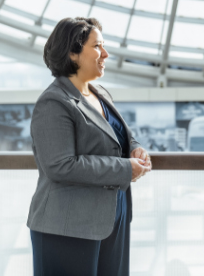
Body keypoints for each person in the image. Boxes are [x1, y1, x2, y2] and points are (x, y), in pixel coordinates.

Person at [27, 17, 152, 276]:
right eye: (98, 46)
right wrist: (125, 168)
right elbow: (60, 165)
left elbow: (121, 138)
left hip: (112, 220)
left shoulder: (100, 94)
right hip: (66, 228)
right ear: (73, 53)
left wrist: (137, 150)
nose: (105, 54)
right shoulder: (53, 102)